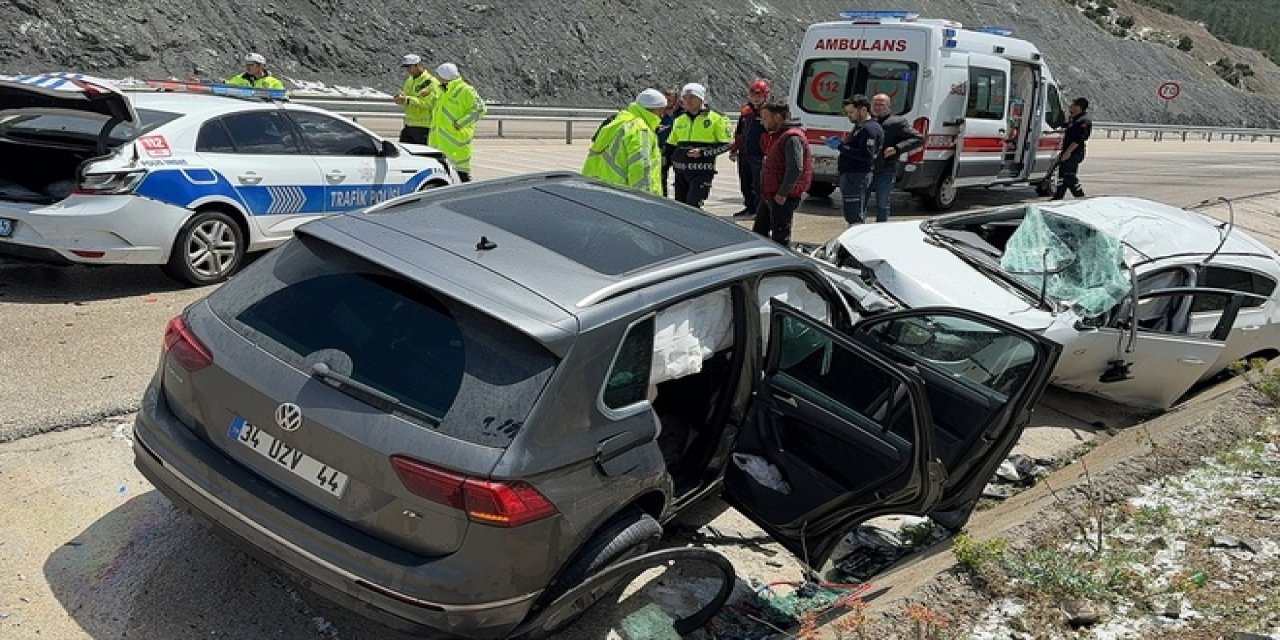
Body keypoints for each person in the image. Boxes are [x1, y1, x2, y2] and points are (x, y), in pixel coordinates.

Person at [581, 89, 667, 195]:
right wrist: (645, 198)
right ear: (655, 109)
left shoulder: (619, 121)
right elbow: (640, 166)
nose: (662, 115)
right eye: (662, 110)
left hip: (603, 187)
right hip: (624, 194)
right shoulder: (640, 129)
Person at [752, 101, 812, 247]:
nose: (762, 122)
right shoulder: (778, 135)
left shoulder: (792, 138)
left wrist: (782, 193)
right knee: (759, 232)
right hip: (771, 194)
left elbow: (795, 168)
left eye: (765, 118)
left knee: (780, 237)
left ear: (778, 117)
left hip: (782, 197)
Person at [664, 83, 733, 208]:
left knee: (693, 206)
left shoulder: (717, 119)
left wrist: (703, 152)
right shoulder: (679, 119)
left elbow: (726, 144)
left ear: (701, 98)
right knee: (680, 208)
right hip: (680, 173)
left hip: (701, 172)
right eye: (685, 98)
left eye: (692, 97)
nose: (688, 101)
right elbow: (670, 146)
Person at [826, 95, 883, 225]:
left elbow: (866, 155)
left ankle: (854, 242)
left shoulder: (870, 129)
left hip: (857, 175)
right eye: (847, 113)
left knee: (854, 215)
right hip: (851, 175)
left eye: (852, 112)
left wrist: (841, 146)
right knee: (852, 213)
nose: (849, 116)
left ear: (863, 110)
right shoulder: (860, 126)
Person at [867, 93, 923, 222]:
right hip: (865, 169)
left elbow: (918, 138)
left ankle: (881, 230)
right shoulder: (867, 121)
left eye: (882, 104)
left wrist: (897, 148)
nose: (878, 107)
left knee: (882, 204)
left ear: (889, 106)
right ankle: (858, 231)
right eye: (875, 104)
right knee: (860, 203)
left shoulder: (897, 122)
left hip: (885, 170)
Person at [429, 62, 487, 183]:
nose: (437, 77)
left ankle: (469, 196)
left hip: (456, 140)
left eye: (439, 75)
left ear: (445, 76)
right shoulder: (442, 89)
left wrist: (461, 123)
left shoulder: (465, 90)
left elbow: (480, 109)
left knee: (463, 173)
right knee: (441, 173)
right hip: (439, 140)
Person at [731, 78, 771, 219]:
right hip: (745, 153)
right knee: (745, 183)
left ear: (766, 95)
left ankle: (760, 211)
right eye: (753, 95)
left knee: (759, 185)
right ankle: (749, 207)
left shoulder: (769, 112)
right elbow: (739, 132)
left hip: (760, 154)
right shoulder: (746, 111)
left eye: (759, 95)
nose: (755, 98)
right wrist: (734, 149)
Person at [393, 54, 440, 145]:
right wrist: (400, 99)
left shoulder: (431, 82)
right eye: (406, 67)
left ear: (418, 65)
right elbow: (407, 99)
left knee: (423, 156)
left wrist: (407, 100)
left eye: (409, 67)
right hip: (409, 125)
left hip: (424, 128)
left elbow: (429, 104)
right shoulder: (409, 81)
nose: (408, 70)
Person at [1052, 97, 1092, 200]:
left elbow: (1079, 138)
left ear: (1078, 107)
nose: (1070, 107)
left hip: (1075, 152)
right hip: (1067, 150)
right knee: (1062, 175)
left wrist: (1068, 152)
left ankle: (1080, 197)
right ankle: (1058, 197)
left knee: (1069, 175)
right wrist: (1052, 132)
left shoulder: (1084, 121)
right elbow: (1068, 129)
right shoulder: (1074, 118)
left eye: (1072, 105)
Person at [656, 89, 683, 197]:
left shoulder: (682, 114)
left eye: (670, 100)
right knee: (661, 176)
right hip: (662, 149)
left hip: (677, 149)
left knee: (680, 178)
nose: (668, 103)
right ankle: (663, 198)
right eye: (666, 100)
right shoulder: (658, 112)